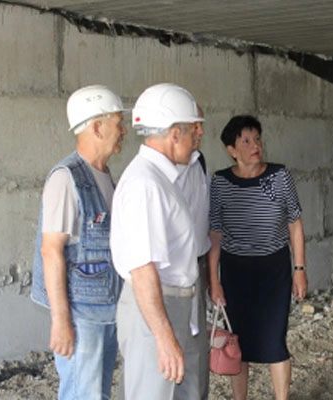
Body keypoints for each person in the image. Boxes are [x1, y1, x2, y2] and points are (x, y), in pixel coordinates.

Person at [31, 85, 127, 400]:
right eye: (118, 122)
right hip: (82, 316)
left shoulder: (103, 175)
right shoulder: (66, 178)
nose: (124, 130)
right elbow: (51, 251)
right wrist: (61, 321)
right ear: (97, 127)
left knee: (96, 394)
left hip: (105, 310)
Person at [110, 83, 204, 400]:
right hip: (155, 307)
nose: (199, 135)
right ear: (174, 134)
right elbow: (142, 269)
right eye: (193, 129)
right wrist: (163, 337)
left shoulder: (162, 178)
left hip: (169, 305)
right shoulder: (145, 184)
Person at [208, 115, 308, 400]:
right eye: (246, 141)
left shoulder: (279, 176)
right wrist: (213, 280)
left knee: (275, 339)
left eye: (257, 139)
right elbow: (215, 234)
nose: (255, 146)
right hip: (235, 271)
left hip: (274, 269)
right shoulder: (220, 182)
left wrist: (299, 269)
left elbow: (295, 223)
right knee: (238, 340)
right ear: (231, 149)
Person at [175, 104, 211, 400]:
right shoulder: (155, 177)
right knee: (173, 353)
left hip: (195, 269)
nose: (201, 130)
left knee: (196, 351)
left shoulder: (199, 162)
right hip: (171, 277)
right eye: (195, 124)